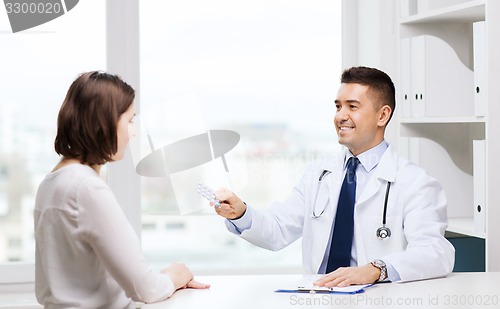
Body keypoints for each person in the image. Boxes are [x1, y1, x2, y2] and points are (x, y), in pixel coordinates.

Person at [212, 66, 455, 287]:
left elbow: (435, 252)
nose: (340, 116)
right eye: (338, 106)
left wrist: (375, 270)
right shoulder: (319, 174)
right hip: (319, 297)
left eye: (353, 106)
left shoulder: (415, 182)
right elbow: (277, 230)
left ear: (382, 116)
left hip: (378, 300)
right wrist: (241, 213)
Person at [34, 71, 209, 308]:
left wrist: (161, 279)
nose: (133, 132)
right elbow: (146, 289)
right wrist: (175, 276)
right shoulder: (85, 188)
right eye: (129, 121)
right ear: (103, 122)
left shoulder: (51, 182)